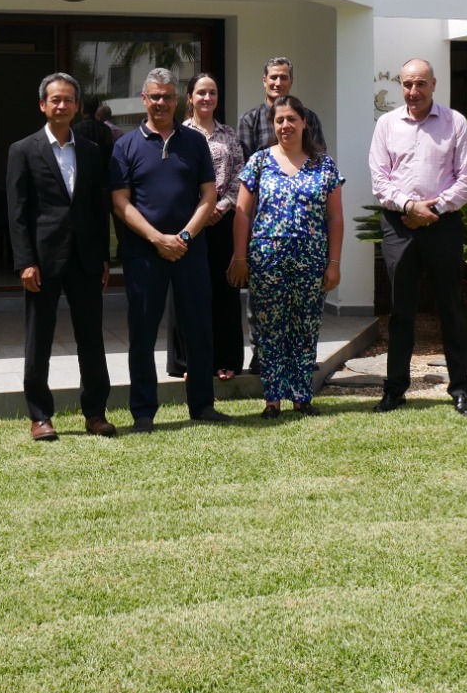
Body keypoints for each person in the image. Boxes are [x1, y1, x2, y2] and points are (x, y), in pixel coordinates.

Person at [109, 67, 233, 432]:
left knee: (198, 327)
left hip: (190, 251)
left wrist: (185, 237)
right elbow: (120, 202)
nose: (161, 102)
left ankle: (202, 405)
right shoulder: (126, 146)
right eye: (154, 96)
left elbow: (209, 194)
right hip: (144, 254)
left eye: (167, 96)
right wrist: (157, 239)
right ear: (144, 100)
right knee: (142, 332)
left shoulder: (193, 143)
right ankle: (143, 412)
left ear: (177, 100)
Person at [7, 72, 116, 441]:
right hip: (42, 260)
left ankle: (96, 413)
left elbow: (98, 207)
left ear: (77, 106)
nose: (62, 105)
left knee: (91, 338)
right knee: (39, 339)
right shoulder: (23, 150)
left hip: (85, 258)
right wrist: (24, 262)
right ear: (43, 104)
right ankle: (40, 416)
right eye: (55, 99)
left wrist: (104, 257)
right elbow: (17, 212)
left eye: (68, 100)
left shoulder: (89, 150)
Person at [368, 58, 467, 415]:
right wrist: (409, 208)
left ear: (434, 84)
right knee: (400, 311)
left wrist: (434, 210)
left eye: (420, 84)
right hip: (399, 225)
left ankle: (460, 389)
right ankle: (395, 389)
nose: (413, 92)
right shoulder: (386, 124)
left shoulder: (455, 122)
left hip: (443, 224)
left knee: (450, 308)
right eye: (407, 84)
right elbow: (379, 179)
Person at [227, 96, 344, 417]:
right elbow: (242, 214)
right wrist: (240, 257)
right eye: (279, 120)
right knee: (268, 329)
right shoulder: (260, 162)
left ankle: (301, 395)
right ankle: (273, 399)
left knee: (305, 328)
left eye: (291, 118)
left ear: (304, 121)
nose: (285, 125)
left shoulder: (324, 164)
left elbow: (335, 218)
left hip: (311, 263)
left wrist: (334, 263)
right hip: (267, 263)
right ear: (273, 124)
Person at [236, 56, 326, 374]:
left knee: (303, 298)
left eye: (284, 77)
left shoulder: (309, 117)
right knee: (262, 297)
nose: (278, 82)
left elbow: (319, 165)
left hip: (304, 226)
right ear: (264, 81)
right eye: (273, 77)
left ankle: (302, 356)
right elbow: (245, 175)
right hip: (264, 225)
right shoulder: (249, 120)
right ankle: (262, 354)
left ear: (291, 81)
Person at [167, 72, 245, 381]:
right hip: (188, 223)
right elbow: (172, 178)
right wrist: (199, 212)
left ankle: (225, 360)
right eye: (201, 92)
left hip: (222, 223)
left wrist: (221, 206)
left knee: (223, 292)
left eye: (212, 92)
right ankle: (187, 363)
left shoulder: (228, 135)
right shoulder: (178, 134)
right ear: (189, 97)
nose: (207, 98)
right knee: (187, 292)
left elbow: (241, 176)